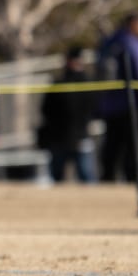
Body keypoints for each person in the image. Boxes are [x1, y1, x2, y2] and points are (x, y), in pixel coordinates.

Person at [96, 12, 138, 183]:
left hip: (109, 104)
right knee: (133, 146)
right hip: (130, 104)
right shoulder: (133, 44)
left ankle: (107, 179)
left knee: (111, 145)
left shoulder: (109, 42)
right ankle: (132, 180)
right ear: (133, 24)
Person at [37, 46, 98, 183]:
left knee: (86, 178)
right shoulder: (59, 84)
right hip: (60, 138)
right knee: (58, 177)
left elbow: (94, 109)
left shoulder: (88, 84)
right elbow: (46, 110)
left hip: (80, 137)